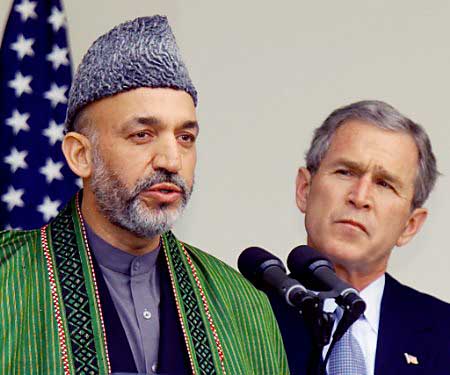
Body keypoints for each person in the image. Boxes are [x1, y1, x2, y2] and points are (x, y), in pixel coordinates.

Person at [0, 16, 289, 375]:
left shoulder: (242, 305)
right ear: (80, 155)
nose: (171, 161)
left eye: (185, 138)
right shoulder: (8, 282)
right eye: (142, 135)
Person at [269, 100, 450, 375]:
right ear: (305, 190)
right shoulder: (240, 315)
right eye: (345, 172)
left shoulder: (443, 333)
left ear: (410, 225)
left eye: (384, 184)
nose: (360, 197)